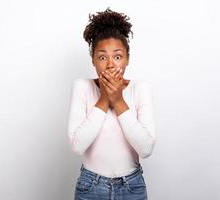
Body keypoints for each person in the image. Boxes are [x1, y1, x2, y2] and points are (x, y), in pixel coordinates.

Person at [67, 8, 157, 200]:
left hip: (132, 187)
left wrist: (117, 100)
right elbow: (77, 146)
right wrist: (105, 98)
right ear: (93, 60)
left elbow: (146, 148)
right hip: (91, 187)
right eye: (102, 57)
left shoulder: (140, 88)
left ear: (127, 59)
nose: (110, 65)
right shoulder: (82, 87)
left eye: (117, 56)